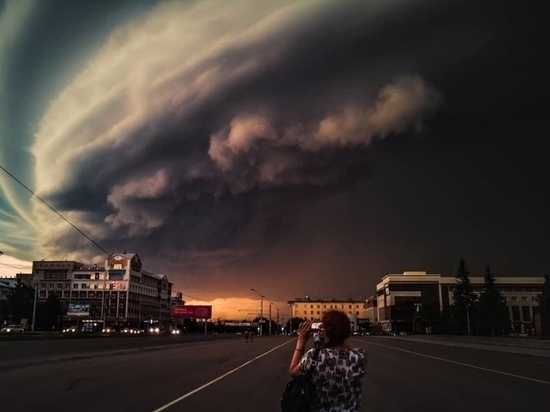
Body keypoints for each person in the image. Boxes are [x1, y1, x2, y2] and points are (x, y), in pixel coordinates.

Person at [289, 310, 366, 411]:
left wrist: (301, 340)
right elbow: (347, 346)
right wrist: (340, 336)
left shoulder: (314, 356)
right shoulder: (359, 356)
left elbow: (293, 371)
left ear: (325, 331)